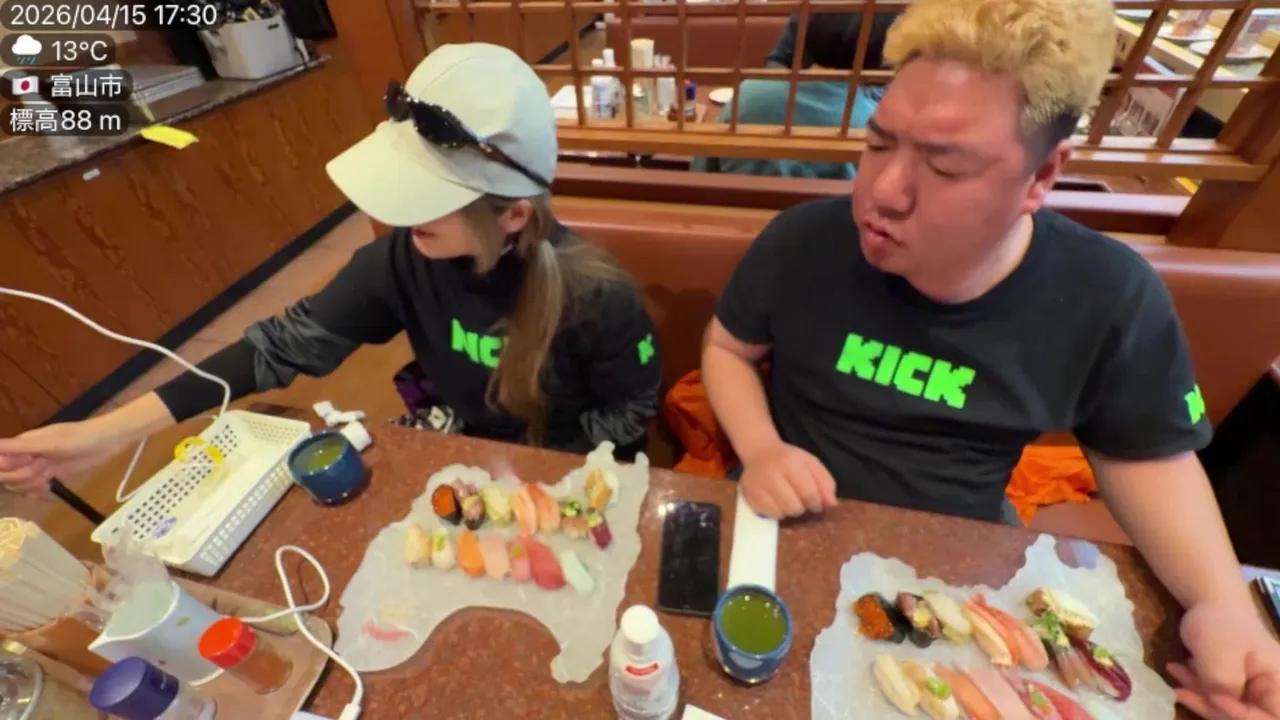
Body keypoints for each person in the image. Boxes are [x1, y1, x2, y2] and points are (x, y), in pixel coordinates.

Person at [701, 0, 1280, 717]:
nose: (883, 192)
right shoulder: (802, 242)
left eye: (944, 166)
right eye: (879, 143)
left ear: (1042, 176)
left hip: (959, 566)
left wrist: (1223, 605)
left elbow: (1144, 454)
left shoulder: (1108, 298)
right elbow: (728, 347)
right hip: (782, 527)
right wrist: (761, 449)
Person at [0, 43, 663, 499]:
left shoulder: (596, 293)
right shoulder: (402, 260)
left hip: (570, 474)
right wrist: (102, 436)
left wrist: (538, 473)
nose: (398, 213)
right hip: (467, 455)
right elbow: (275, 349)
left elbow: (633, 407)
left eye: (426, 198)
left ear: (513, 215)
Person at [691, 13, 882, 180]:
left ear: (804, 37)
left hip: (735, 206)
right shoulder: (873, 123)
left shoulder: (746, 94)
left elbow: (701, 171)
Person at [764, 10, 899, 103]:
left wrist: (841, 94)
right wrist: (800, 89)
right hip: (802, 96)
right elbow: (776, 60)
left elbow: (899, 83)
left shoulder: (898, 15)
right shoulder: (810, 9)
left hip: (867, 107)